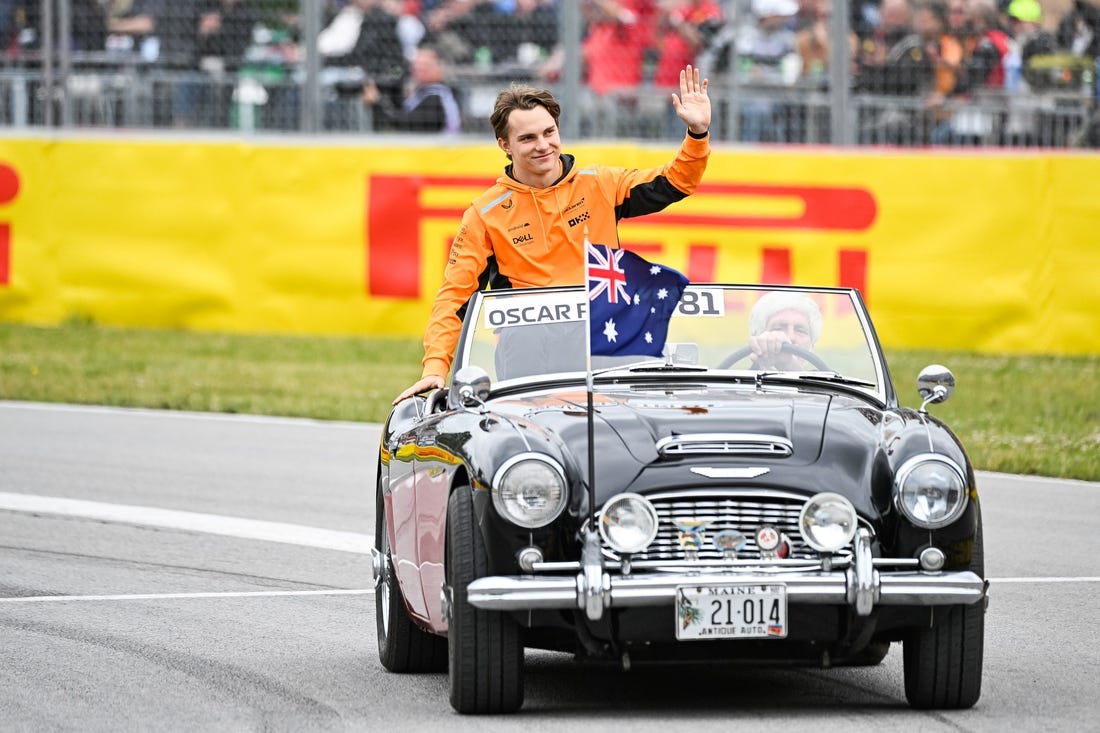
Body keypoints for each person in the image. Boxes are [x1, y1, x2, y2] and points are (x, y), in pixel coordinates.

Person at [393, 63, 712, 403]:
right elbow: (454, 298)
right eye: (527, 138)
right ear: (504, 144)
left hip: (604, 337)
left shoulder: (600, 183)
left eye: (549, 132)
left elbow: (676, 181)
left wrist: (697, 135)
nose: (543, 145)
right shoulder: (484, 215)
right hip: (529, 350)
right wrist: (434, 370)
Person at [362, 44, 461, 133]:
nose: (418, 69)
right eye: (416, 65)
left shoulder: (436, 97)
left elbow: (405, 124)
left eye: (425, 65)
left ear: (439, 67)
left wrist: (377, 102)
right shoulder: (424, 94)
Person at [747, 291, 822, 370]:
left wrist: (788, 364)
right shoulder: (738, 380)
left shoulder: (826, 380)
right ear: (757, 339)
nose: (790, 337)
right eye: (778, 329)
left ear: (812, 346)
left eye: (800, 331)